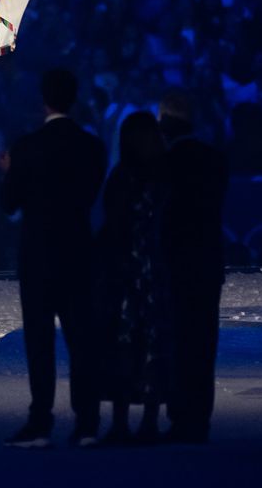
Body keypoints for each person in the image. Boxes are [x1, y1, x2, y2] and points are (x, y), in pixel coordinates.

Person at [0, 68, 107, 448]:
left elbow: (8, 203)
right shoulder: (92, 147)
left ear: (44, 99)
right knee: (82, 339)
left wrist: (9, 172)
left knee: (40, 341)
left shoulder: (27, 147)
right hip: (77, 251)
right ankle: (88, 422)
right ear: (73, 98)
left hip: (39, 255)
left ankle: (40, 421)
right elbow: (91, 196)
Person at [158, 89, 228, 443]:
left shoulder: (167, 163)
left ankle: (182, 414)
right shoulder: (214, 158)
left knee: (179, 340)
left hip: (177, 262)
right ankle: (200, 415)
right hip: (208, 260)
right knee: (204, 341)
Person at [96, 111, 169, 446]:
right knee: (150, 345)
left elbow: (111, 226)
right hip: (152, 272)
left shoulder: (123, 176)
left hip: (128, 271)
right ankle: (149, 420)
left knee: (125, 344)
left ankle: (123, 422)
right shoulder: (162, 177)